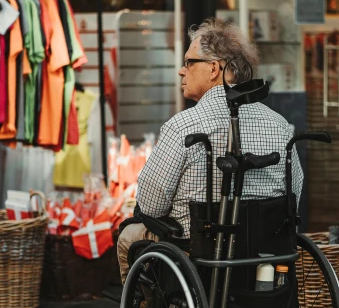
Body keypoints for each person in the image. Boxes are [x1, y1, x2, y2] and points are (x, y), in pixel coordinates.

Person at [117, 18, 304, 282]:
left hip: (198, 251)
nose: (182, 71)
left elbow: (151, 205)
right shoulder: (280, 125)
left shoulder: (183, 126)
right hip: (263, 251)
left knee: (129, 235)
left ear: (214, 68)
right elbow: (293, 194)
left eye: (188, 63)